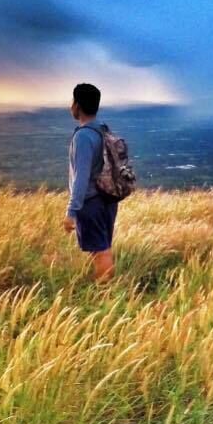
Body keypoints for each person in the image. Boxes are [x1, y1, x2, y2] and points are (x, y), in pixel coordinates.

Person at [63, 82, 118, 282]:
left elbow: (81, 177)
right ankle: (105, 291)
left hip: (92, 202)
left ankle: (106, 297)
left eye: (72, 101)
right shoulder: (103, 130)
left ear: (77, 105)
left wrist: (71, 212)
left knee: (100, 251)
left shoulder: (83, 136)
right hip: (108, 199)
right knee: (103, 247)